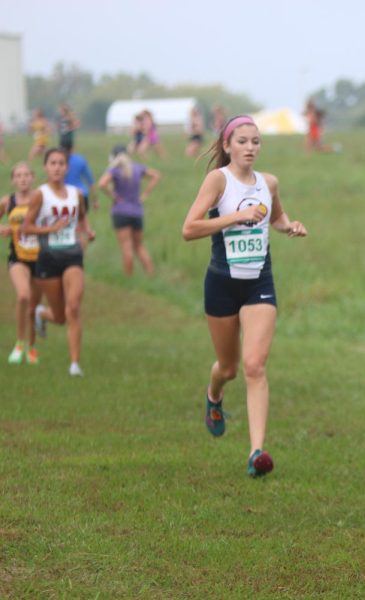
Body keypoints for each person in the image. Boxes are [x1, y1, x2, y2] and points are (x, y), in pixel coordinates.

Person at [181, 115, 307, 477]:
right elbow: (189, 229)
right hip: (221, 283)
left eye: (255, 141)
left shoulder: (269, 182)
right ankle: (214, 395)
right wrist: (235, 216)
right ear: (227, 146)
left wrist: (290, 227)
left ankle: (256, 452)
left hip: (258, 284)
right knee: (230, 368)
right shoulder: (218, 181)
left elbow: (277, 219)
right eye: (243, 141)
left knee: (255, 365)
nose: (250, 147)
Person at [22, 148, 96, 376]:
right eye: (52, 163)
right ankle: (42, 314)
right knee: (60, 316)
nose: (57, 167)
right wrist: (50, 229)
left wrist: (87, 231)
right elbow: (26, 227)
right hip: (48, 258)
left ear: (67, 167)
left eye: (61, 163)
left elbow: (82, 218)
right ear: (45, 167)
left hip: (72, 255)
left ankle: (75, 364)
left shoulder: (76, 193)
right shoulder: (40, 195)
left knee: (73, 308)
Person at [0, 163, 41, 364]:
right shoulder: (7, 202)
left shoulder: (41, 199)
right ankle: (19, 342)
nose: (23, 178)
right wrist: (3, 229)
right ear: (13, 180)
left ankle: (32, 347)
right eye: (19, 175)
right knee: (23, 294)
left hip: (41, 258)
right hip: (17, 257)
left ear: (32, 177)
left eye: (26, 175)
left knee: (34, 304)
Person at [98, 145, 160, 275]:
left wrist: (113, 196)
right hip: (137, 212)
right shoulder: (137, 167)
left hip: (120, 211)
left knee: (126, 247)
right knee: (139, 246)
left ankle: (129, 277)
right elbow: (156, 175)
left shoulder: (115, 170)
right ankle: (151, 274)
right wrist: (145, 194)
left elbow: (102, 184)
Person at [63, 144, 96, 214]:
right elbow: (90, 180)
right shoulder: (80, 160)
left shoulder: (60, 161)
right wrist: (95, 199)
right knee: (82, 221)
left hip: (64, 194)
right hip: (82, 193)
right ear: (72, 148)